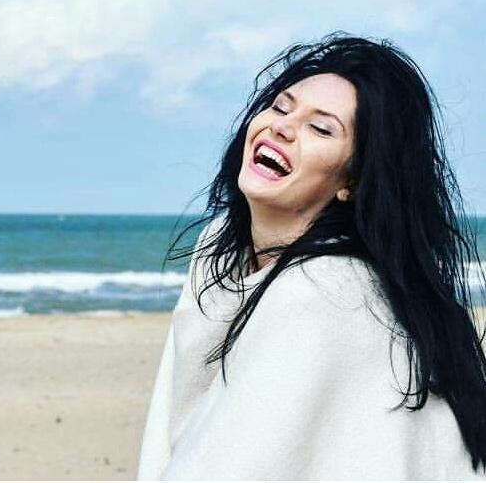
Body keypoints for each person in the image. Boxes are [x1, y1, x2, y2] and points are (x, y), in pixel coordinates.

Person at [137, 32, 486, 480]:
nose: (281, 127)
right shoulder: (220, 249)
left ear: (353, 181)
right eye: (281, 107)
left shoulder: (325, 291)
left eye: (321, 128)